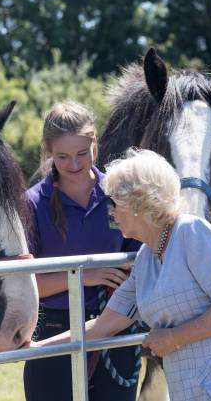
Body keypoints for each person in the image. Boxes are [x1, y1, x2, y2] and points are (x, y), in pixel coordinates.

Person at [35, 148, 211, 401]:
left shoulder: (190, 231)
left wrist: (174, 337)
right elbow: (103, 325)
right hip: (190, 387)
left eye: (114, 203)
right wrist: (35, 348)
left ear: (138, 203)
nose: (111, 212)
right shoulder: (145, 258)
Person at [24, 101, 140, 401]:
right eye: (62, 156)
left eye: (81, 154)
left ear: (95, 145)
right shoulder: (30, 204)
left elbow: (143, 261)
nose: (74, 164)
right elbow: (24, 285)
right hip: (53, 328)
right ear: (48, 152)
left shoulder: (122, 195)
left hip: (115, 326)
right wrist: (83, 277)